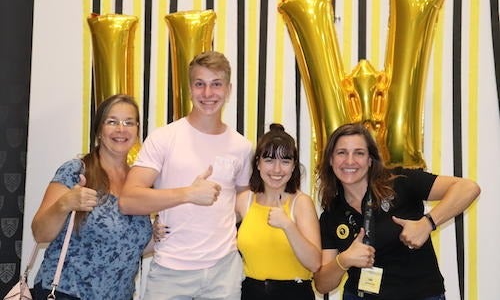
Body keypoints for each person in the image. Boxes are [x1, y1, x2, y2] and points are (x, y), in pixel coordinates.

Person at [118, 51, 253, 300]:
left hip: (224, 271)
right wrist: (188, 194)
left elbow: (243, 194)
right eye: (199, 84)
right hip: (171, 271)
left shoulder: (242, 146)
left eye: (216, 84)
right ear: (190, 88)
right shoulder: (164, 138)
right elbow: (128, 200)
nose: (208, 93)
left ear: (228, 89)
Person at [313, 123, 480, 300]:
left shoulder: (401, 182)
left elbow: (468, 188)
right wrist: (344, 260)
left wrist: (427, 223)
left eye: (359, 153)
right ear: (331, 160)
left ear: (370, 160)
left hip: (420, 295)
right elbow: (322, 285)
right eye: (342, 153)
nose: (350, 161)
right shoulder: (331, 214)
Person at [31, 94, 153, 300]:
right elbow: (40, 233)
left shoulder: (138, 183)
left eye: (129, 122)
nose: (121, 129)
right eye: (112, 122)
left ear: (137, 131)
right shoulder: (77, 170)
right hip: (66, 293)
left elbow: (130, 244)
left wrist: (158, 235)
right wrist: (65, 203)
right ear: (99, 130)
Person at [235, 123, 321, 300]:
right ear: (258, 163)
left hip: (294, 293)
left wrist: (288, 226)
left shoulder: (301, 203)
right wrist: (162, 226)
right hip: (250, 292)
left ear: (293, 166)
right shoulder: (245, 200)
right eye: (269, 160)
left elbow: (314, 263)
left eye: (285, 161)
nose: (277, 169)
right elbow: (213, 227)